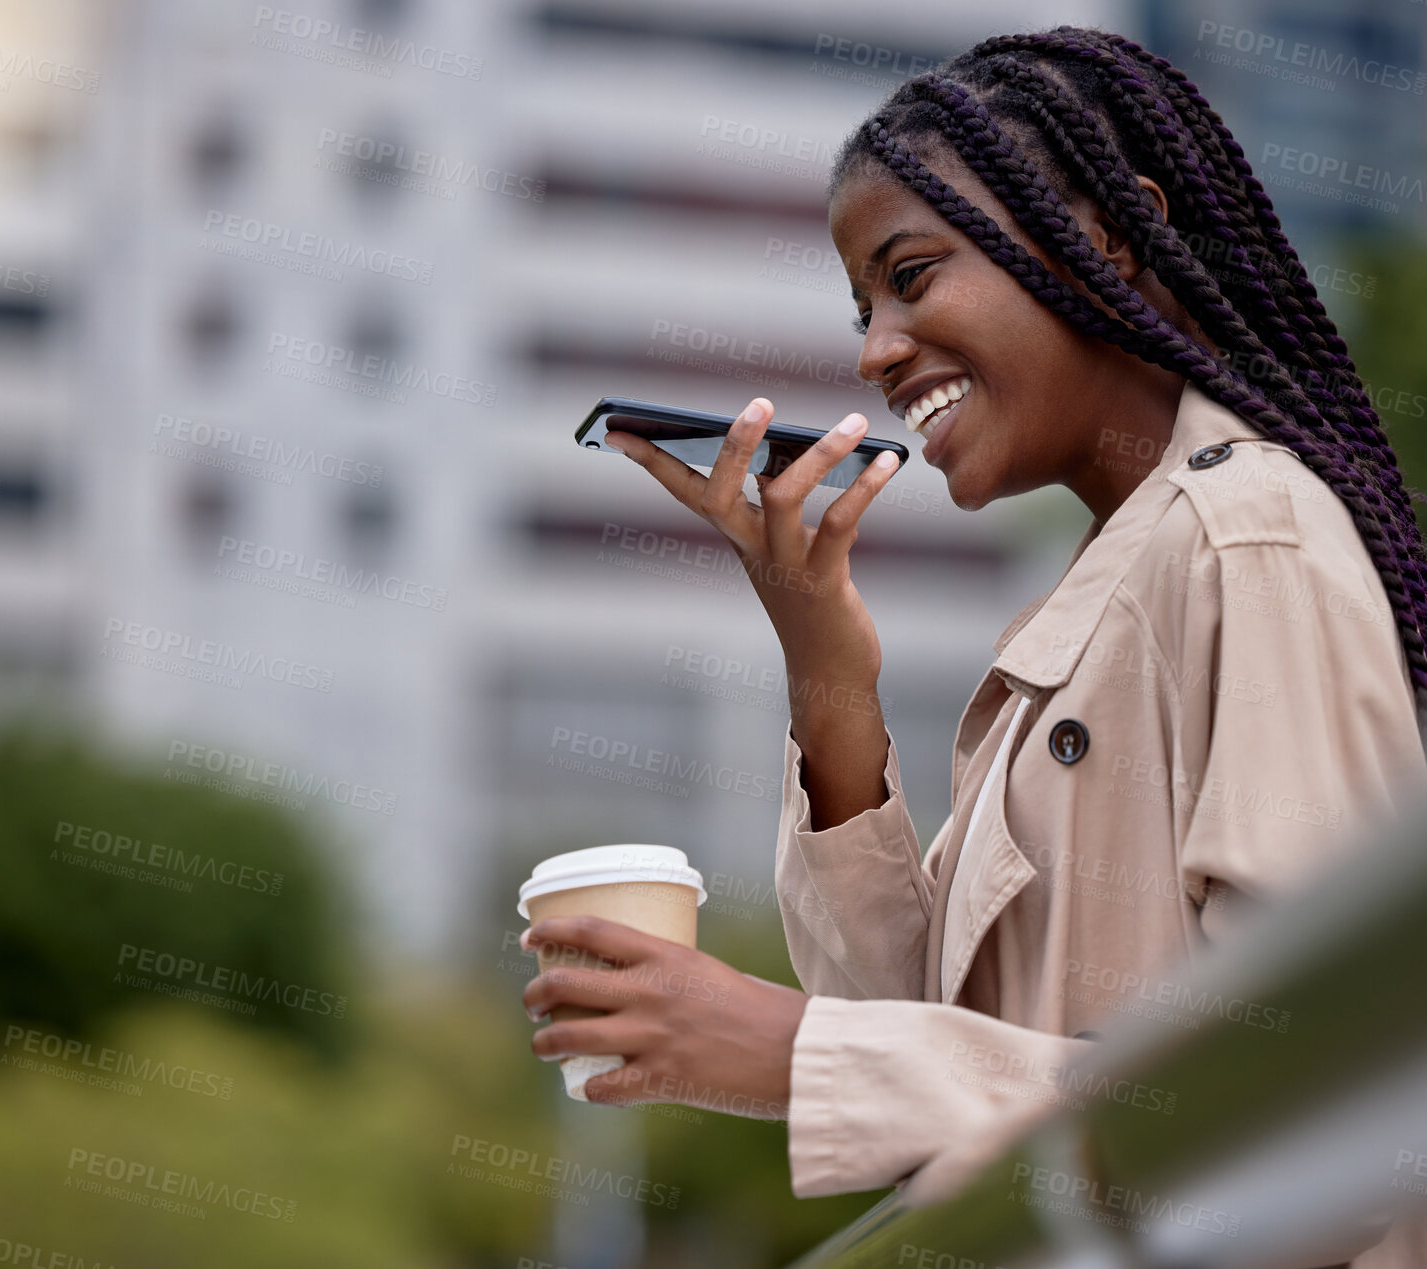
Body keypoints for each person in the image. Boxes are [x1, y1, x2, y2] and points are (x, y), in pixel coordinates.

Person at [520, 26, 1427, 1265]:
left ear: (1115, 232)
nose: (875, 347)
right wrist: (827, 668)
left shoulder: (1242, 538)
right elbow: (920, 1034)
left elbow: (1323, 1094)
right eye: (863, 303)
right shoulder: (1115, 584)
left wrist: (797, 1052)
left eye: (912, 274)